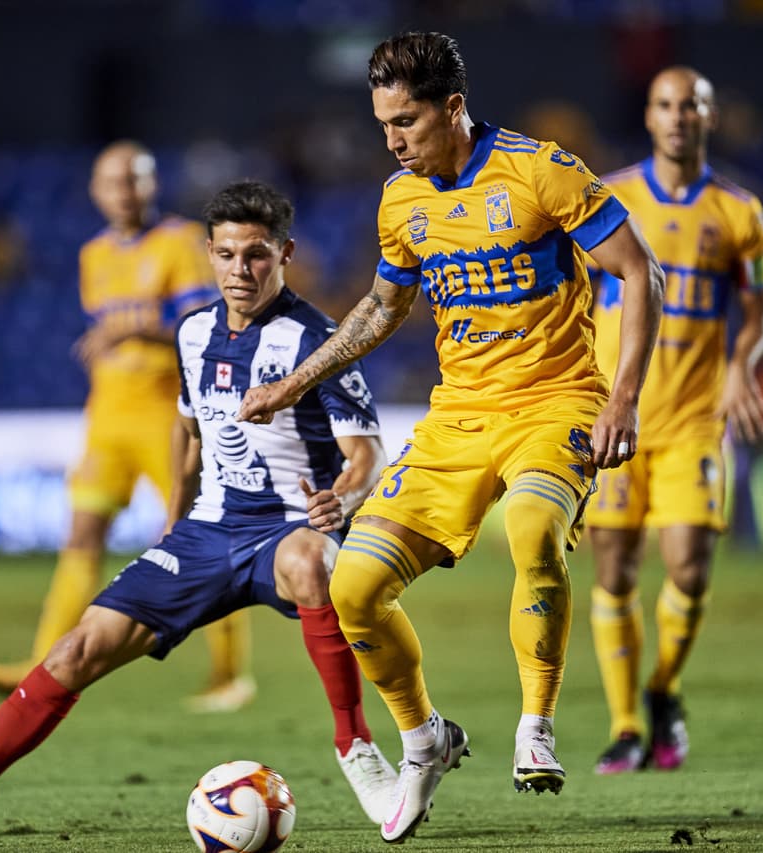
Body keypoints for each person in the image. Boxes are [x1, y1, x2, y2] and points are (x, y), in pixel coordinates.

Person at [0, 180, 399, 836]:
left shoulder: (320, 339)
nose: (239, 269)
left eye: (255, 254)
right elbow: (189, 428)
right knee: (76, 649)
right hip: (210, 530)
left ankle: (356, 747)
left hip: (289, 525)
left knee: (312, 561)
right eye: (226, 254)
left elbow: (366, 452)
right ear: (208, 253)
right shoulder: (194, 333)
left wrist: (338, 498)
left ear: (284, 254)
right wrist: (176, 514)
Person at [238, 31, 665, 843]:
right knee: (352, 589)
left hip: (557, 402)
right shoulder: (403, 201)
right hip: (457, 418)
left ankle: (535, 727)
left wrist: (626, 400)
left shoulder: (540, 171)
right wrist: (295, 382)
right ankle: (425, 736)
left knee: (535, 528)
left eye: (406, 121)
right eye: (382, 124)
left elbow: (639, 268)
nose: (392, 140)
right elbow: (379, 307)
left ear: (453, 108)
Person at [0, 141, 256, 714]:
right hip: (108, 415)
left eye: (136, 180)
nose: (125, 192)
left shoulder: (179, 243)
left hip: (166, 413)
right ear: (96, 191)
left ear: (152, 187)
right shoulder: (93, 256)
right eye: (114, 182)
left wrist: (134, 331)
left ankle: (229, 675)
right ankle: (42, 665)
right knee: (80, 534)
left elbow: (204, 322)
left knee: (197, 537)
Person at [585, 67, 763, 775]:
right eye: (665, 104)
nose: (677, 117)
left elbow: (757, 310)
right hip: (617, 413)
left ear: (709, 117)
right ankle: (627, 724)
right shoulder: (608, 197)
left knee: (689, 568)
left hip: (694, 417)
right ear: (649, 115)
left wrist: (742, 363)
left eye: (690, 105)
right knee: (614, 568)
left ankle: (662, 687)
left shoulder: (739, 211)